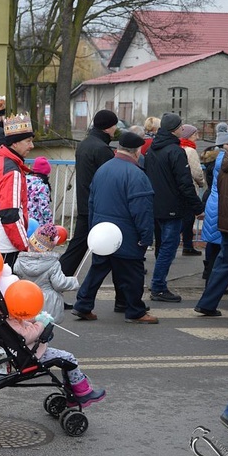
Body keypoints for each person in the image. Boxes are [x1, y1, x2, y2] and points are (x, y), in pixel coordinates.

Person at [72, 132, 158, 324]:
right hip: (125, 233)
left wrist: (95, 227)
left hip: (103, 231)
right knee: (133, 272)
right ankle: (135, 311)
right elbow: (142, 210)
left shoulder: (103, 169)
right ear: (137, 152)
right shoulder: (136, 174)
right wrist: (146, 236)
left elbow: (91, 201)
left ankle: (83, 305)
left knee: (98, 269)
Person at [144, 112, 204, 303]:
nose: (182, 130)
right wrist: (197, 207)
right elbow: (185, 183)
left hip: (155, 204)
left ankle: (157, 285)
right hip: (172, 206)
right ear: (174, 130)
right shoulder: (175, 151)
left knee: (161, 245)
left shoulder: (153, 149)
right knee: (168, 248)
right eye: (180, 127)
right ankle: (159, 286)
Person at [7, 298, 105, 407]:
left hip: (27, 352)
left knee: (65, 360)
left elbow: (23, 323)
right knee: (69, 358)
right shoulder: (10, 320)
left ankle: (71, 389)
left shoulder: (5, 317)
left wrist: (36, 318)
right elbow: (26, 336)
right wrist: (41, 323)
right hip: (32, 355)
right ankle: (83, 392)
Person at [58, 110, 117, 278]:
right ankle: (58, 280)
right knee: (83, 247)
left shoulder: (86, 144)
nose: (115, 129)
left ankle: (58, 279)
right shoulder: (102, 149)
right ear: (107, 128)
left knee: (78, 246)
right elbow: (108, 180)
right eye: (114, 126)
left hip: (85, 201)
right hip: (97, 205)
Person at [0, 113, 35, 268]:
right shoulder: (12, 171)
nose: (32, 146)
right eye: (28, 141)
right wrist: (25, 246)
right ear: (14, 144)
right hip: (4, 243)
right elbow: (10, 215)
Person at [193, 138, 228, 317]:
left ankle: (207, 303)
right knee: (225, 264)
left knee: (224, 264)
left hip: (227, 221)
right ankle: (206, 304)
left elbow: (218, 190)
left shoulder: (227, 163)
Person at [14, 223, 78, 324]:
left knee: (30, 328)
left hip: (27, 300)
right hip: (47, 304)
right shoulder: (53, 264)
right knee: (45, 331)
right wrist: (73, 282)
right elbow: (59, 283)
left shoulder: (20, 261)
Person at [200, 123, 228, 283]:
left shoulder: (214, 158)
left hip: (213, 201)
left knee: (212, 243)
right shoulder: (227, 160)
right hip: (223, 203)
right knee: (223, 247)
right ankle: (214, 279)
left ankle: (208, 273)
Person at [179, 124, 206, 256]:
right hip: (190, 188)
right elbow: (196, 172)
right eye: (195, 134)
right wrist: (202, 182)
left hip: (177, 190)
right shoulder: (190, 150)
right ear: (189, 136)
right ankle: (188, 246)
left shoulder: (178, 148)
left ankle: (186, 244)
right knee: (188, 218)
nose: (197, 137)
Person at [26, 156, 53, 226]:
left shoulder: (23, 180)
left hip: (23, 220)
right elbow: (44, 208)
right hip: (37, 223)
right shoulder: (42, 186)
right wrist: (49, 224)